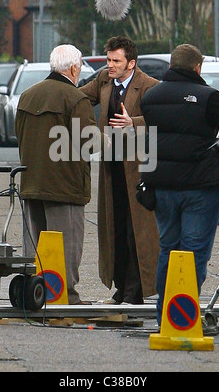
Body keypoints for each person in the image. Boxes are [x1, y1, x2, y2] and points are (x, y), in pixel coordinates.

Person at [140, 43, 219, 324]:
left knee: (168, 247)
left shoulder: (151, 96)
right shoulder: (206, 97)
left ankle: (164, 315)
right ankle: (185, 316)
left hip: (162, 185)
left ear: (170, 66)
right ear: (197, 67)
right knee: (194, 252)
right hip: (199, 187)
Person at [15, 44, 98, 305]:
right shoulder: (75, 99)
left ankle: (37, 294)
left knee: (36, 247)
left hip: (32, 183)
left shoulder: (27, 95)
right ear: (73, 68)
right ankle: (67, 296)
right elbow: (90, 143)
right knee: (67, 246)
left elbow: (19, 134)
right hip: (65, 187)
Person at [80, 36, 160, 304]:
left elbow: (160, 119)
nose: (110, 65)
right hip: (112, 169)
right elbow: (79, 98)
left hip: (138, 171)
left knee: (136, 231)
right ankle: (121, 286)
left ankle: (134, 291)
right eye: (108, 59)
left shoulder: (149, 86)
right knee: (114, 228)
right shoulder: (104, 79)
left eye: (116, 61)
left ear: (132, 63)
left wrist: (133, 122)